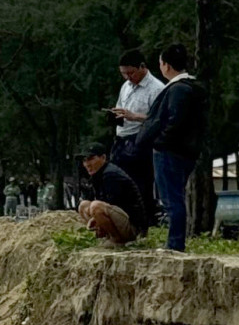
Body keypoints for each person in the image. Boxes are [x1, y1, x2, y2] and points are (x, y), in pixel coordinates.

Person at [131, 43, 208, 251]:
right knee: (174, 197)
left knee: (172, 199)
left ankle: (175, 244)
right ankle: (175, 242)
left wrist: (160, 141)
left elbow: (174, 121)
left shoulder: (178, 90)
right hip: (186, 151)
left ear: (165, 65)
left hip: (171, 151)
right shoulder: (193, 88)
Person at [109, 48, 165, 211]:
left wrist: (135, 116)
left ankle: (144, 220)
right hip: (121, 139)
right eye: (124, 74)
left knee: (139, 184)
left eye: (131, 73)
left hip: (140, 140)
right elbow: (121, 106)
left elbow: (159, 119)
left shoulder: (156, 89)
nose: (128, 78)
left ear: (142, 67)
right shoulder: (126, 86)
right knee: (118, 182)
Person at [78, 142, 147, 245]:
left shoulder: (110, 175)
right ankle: (107, 236)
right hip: (120, 219)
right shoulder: (98, 175)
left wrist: (96, 219)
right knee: (83, 205)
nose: (87, 164)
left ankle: (117, 240)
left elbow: (114, 204)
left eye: (91, 158)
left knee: (96, 206)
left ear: (103, 158)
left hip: (133, 226)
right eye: (84, 160)